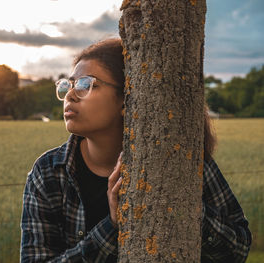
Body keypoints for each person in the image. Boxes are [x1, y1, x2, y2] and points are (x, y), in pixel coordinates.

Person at [20, 38, 251, 262]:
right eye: (68, 84)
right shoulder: (48, 172)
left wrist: (184, 205)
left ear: (127, 98)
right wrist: (112, 227)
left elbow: (238, 249)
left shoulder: (180, 157)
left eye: (85, 84)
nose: (70, 95)